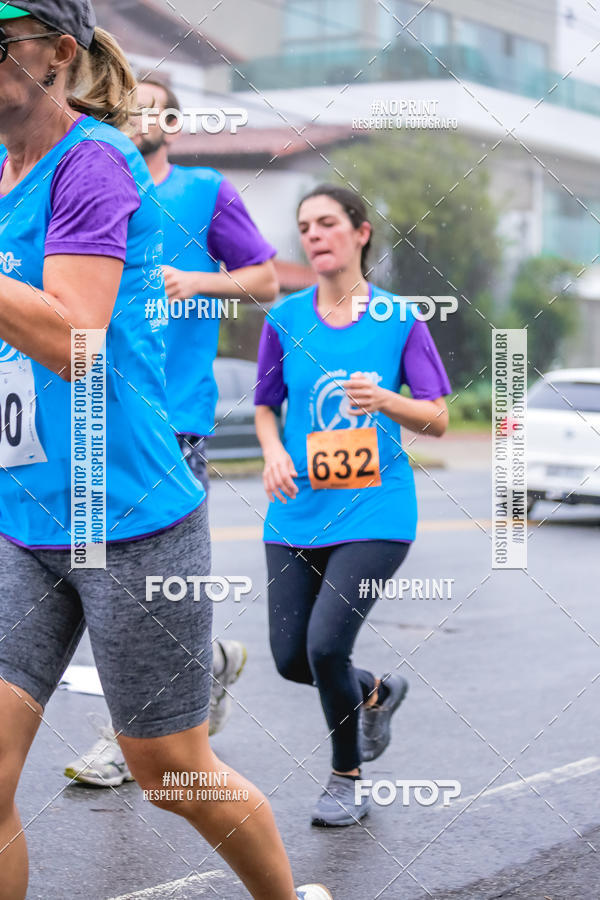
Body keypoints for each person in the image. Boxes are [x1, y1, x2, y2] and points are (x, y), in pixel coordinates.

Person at [0, 3, 330, 898]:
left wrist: (203, 284)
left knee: (168, 771)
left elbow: (74, 337)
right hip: (25, 514)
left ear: (58, 55)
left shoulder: (96, 162)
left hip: (132, 510)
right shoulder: (0, 171)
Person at [64, 76, 278, 785]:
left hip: (173, 416)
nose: (134, 115)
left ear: (174, 123)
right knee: (96, 577)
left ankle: (130, 741)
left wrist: (198, 283)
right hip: (90, 413)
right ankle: (208, 664)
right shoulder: (86, 180)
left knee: (136, 585)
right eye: (123, 105)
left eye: (149, 106)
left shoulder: (204, 191)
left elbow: (265, 279)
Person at [254, 184, 452, 827]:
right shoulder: (285, 317)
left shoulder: (399, 319)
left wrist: (386, 401)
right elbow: (265, 405)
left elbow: (438, 418)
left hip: (375, 512)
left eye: (328, 223)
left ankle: (346, 779)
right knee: (290, 660)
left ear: (360, 232)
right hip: (295, 508)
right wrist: (271, 453)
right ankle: (376, 690)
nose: (314, 235)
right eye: (305, 225)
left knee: (324, 646)